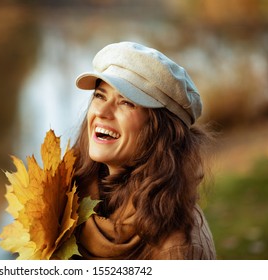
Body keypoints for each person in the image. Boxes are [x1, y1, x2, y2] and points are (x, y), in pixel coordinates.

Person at [71, 41, 216, 260]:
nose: (102, 111)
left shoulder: (177, 250)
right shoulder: (69, 194)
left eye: (126, 102)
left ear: (161, 131)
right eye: (100, 96)